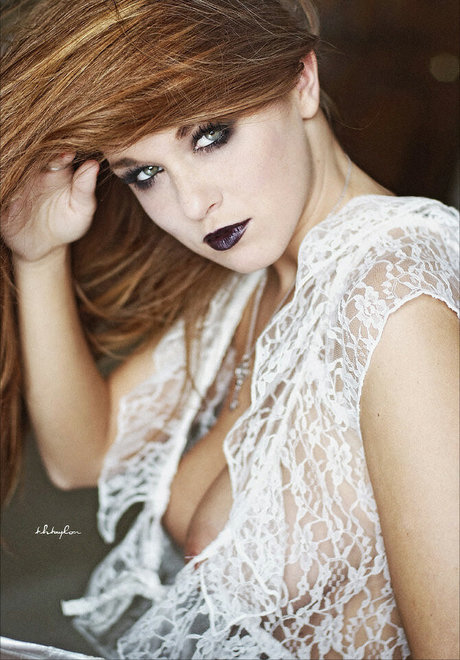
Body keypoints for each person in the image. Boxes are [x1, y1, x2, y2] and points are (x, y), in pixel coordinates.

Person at [1, 0, 458, 658]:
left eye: (211, 136)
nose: (193, 204)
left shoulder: (394, 299)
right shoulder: (258, 278)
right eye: (145, 174)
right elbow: (86, 455)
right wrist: (40, 255)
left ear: (303, 81)